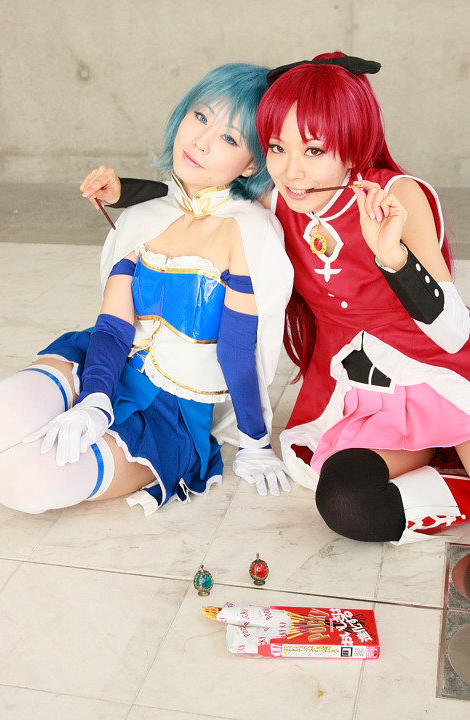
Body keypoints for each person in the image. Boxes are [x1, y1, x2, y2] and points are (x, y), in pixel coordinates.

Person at [88, 53, 470, 545]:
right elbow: (201, 192)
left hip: (443, 374)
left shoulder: (398, 196)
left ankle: (449, 445)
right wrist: (122, 191)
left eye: (314, 150)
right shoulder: (279, 200)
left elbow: (454, 333)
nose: (292, 171)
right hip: (355, 387)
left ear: (353, 145)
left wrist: (393, 257)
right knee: (349, 503)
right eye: (276, 147)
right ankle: (450, 474)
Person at [0, 63, 293, 516]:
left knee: (21, 482)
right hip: (99, 361)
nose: (201, 141)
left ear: (252, 163)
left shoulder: (249, 233)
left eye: (229, 139)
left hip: (173, 410)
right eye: (200, 116)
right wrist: (94, 401)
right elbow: (113, 327)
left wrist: (255, 441)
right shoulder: (144, 215)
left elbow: (237, 349)